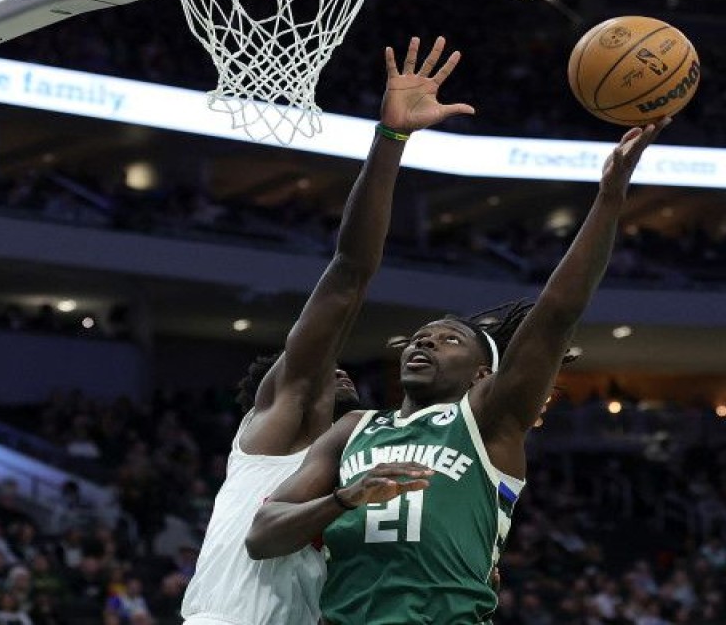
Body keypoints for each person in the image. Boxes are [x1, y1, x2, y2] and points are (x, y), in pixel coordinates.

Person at [246, 117, 670, 623]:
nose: (427, 340)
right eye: (422, 336)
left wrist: (610, 197)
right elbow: (262, 534)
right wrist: (344, 498)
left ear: (481, 375)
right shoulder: (353, 428)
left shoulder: (488, 420)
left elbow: (556, 313)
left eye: (451, 339)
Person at [180, 36, 475, 625]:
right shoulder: (280, 423)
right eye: (320, 371)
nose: (339, 373)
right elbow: (348, 275)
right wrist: (391, 141)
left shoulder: (348, 458)